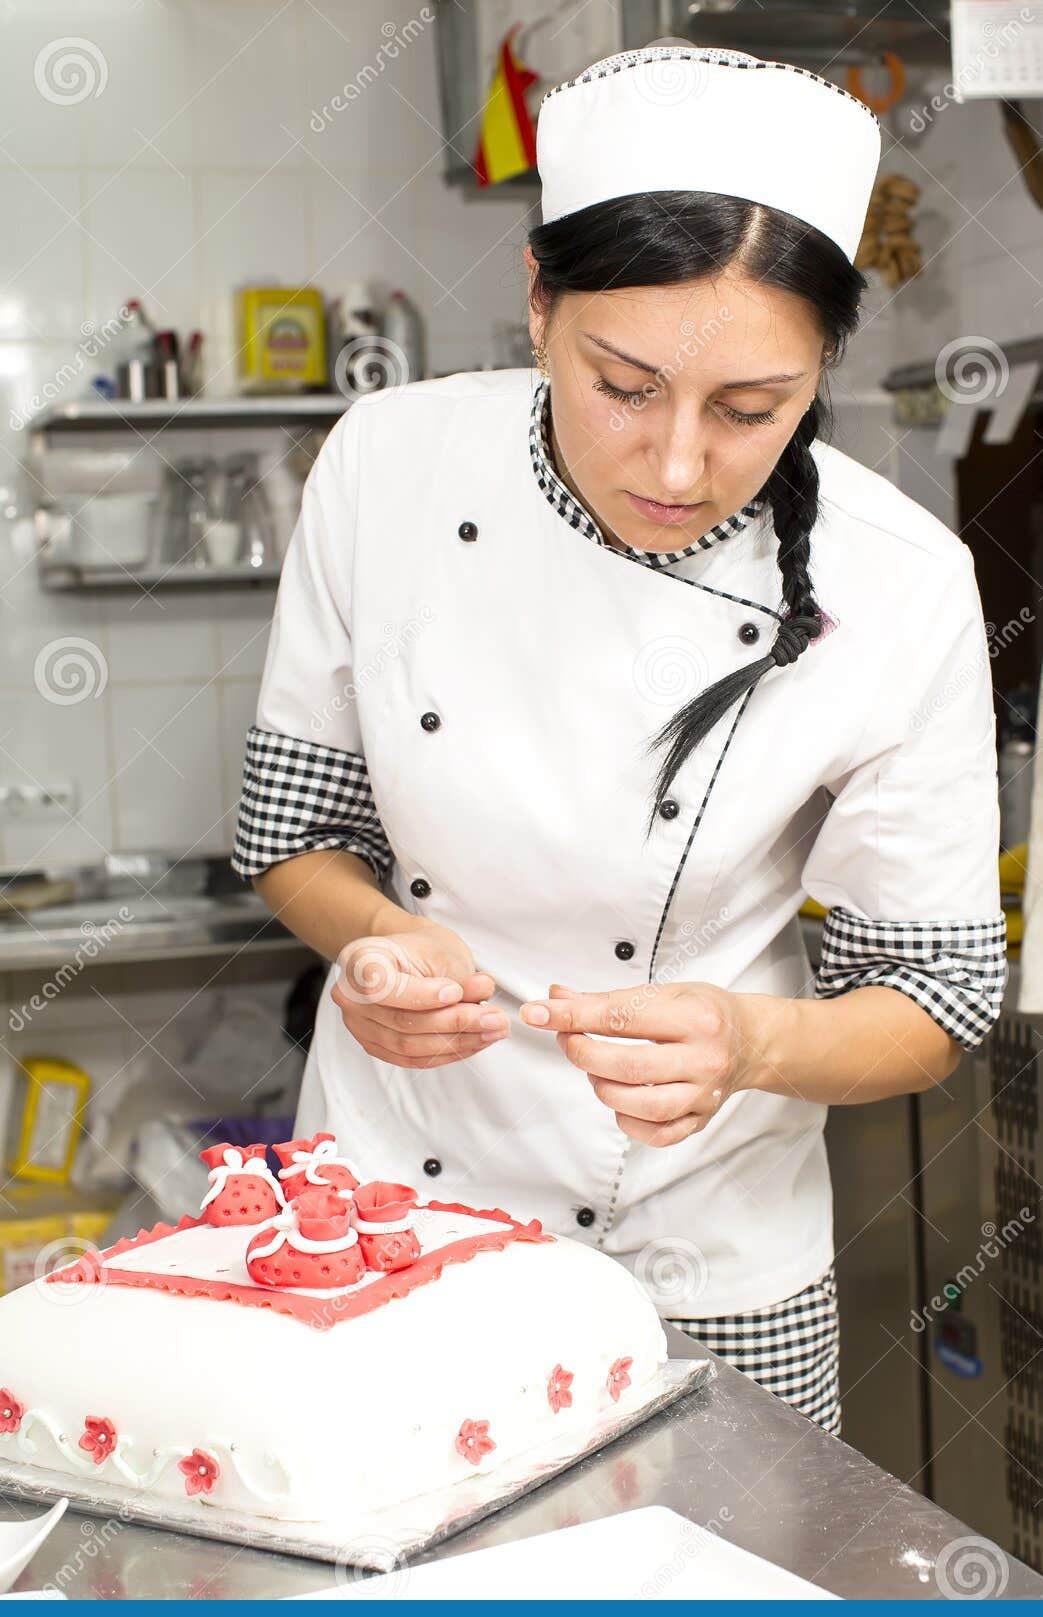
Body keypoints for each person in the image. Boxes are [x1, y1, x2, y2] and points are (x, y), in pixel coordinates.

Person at [232, 46, 1006, 1435]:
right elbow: (295, 834)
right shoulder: (387, 466)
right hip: (396, 1224)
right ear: (539, 303)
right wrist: (375, 942)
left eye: (751, 411)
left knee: (716, 1576)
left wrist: (748, 1042)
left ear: (820, 369)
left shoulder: (903, 580)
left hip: (708, 1256)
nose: (677, 463)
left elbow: (931, 1003)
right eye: (624, 384)